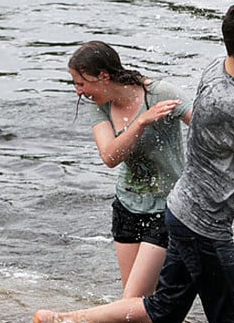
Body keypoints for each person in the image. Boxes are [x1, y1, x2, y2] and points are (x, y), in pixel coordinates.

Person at [22, 1, 234, 323]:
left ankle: (58, 321)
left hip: (180, 211)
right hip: (206, 226)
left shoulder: (217, 71)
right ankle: (59, 321)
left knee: (164, 310)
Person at [68, 41, 193, 298]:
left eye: (81, 83)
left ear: (103, 76)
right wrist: (141, 123)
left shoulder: (159, 94)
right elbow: (110, 156)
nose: (78, 91)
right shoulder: (99, 106)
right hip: (126, 207)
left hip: (165, 208)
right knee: (137, 301)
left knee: (132, 301)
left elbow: (208, 126)